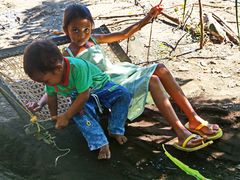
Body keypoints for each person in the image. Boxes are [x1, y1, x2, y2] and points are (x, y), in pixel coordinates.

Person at [28, 4, 222, 151]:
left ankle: (194, 119)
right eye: (75, 30)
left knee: (160, 68)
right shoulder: (66, 56)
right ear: (66, 30)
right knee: (153, 80)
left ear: (92, 28)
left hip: (121, 71)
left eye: (86, 29)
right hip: (107, 86)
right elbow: (54, 83)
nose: (81, 35)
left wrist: (148, 17)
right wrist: (41, 102)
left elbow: (125, 33)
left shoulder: (95, 39)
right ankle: (180, 131)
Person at [23, 40, 132, 159]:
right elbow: (51, 96)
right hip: (82, 96)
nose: (45, 84)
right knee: (79, 113)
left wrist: (66, 116)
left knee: (124, 94)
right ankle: (100, 142)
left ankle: (115, 129)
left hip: (101, 87)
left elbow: (84, 95)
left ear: (59, 68)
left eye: (45, 81)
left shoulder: (77, 67)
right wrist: (53, 115)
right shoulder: (52, 76)